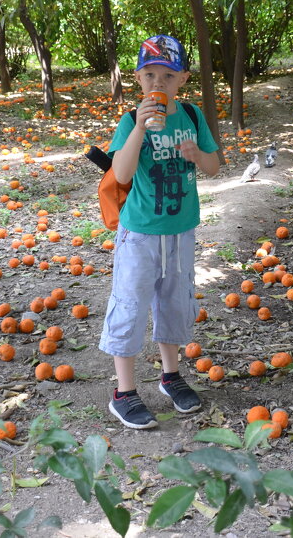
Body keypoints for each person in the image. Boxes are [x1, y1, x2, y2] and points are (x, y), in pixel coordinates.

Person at [100, 34, 221, 428]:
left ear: (183, 79)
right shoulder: (129, 121)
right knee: (131, 306)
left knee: (173, 302)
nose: (158, 84)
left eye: (167, 76)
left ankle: (171, 377)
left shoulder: (191, 116)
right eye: (149, 75)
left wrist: (196, 154)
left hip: (180, 231)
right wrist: (138, 128)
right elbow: (121, 173)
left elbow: (214, 166)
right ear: (137, 79)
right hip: (140, 234)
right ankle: (125, 392)